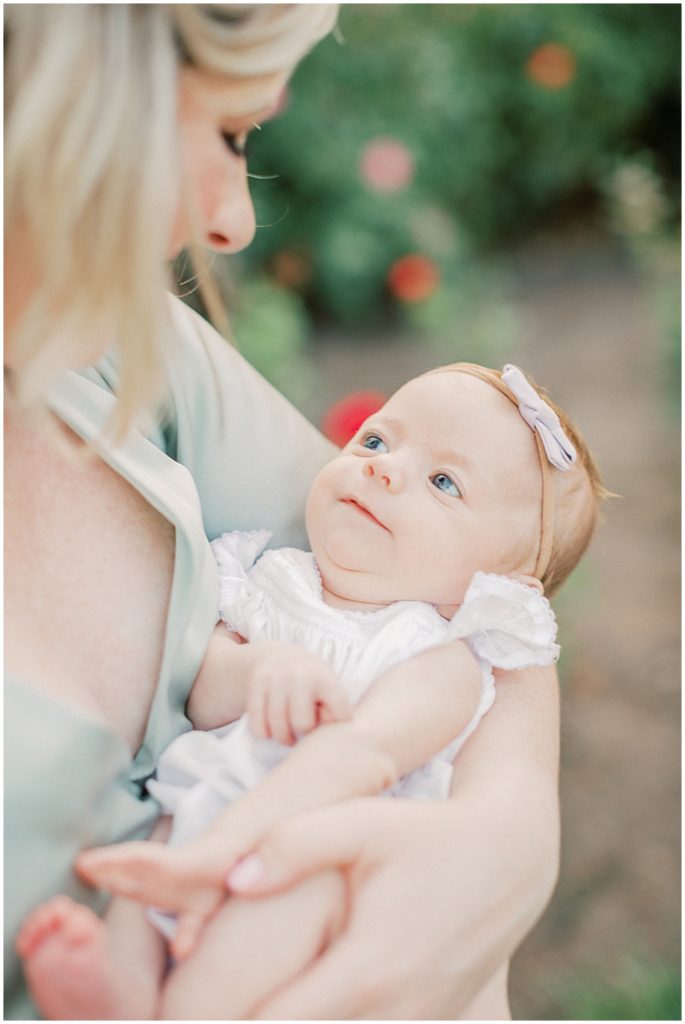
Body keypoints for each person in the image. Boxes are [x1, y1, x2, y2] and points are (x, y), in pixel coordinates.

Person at [4, 5, 567, 1020]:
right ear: (63, 98)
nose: (235, 224)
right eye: (228, 134)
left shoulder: (111, 338)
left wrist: (511, 838)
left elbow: (486, 615)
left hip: (282, 866)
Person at [17, 362, 605, 1020]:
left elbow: (363, 754)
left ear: (499, 585)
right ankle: (117, 992)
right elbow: (202, 687)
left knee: (273, 914)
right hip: (189, 818)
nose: (383, 468)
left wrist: (222, 851)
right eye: (377, 441)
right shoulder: (270, 576)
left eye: (444, 482)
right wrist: (258, 668)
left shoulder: (435, 661)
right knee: (142, 876)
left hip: (306, 861)